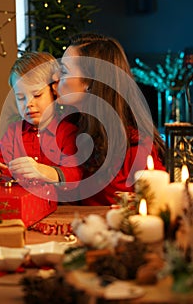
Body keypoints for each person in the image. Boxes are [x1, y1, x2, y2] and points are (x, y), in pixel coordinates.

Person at [52, 32, 166, 205]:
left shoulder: (136, 148)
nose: (55, 77)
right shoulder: (68, 131)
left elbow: (159, 206)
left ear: (90, 83)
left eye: (64, 71)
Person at [0, 51, 83, 196]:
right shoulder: (13, 133)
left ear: (54, 92)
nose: (28, 103)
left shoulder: (67, 131)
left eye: (37, 95)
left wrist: (43, 171)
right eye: (20, 98)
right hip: (24, 210)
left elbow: (75, 175)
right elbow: (0, 165)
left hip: (62, 211)